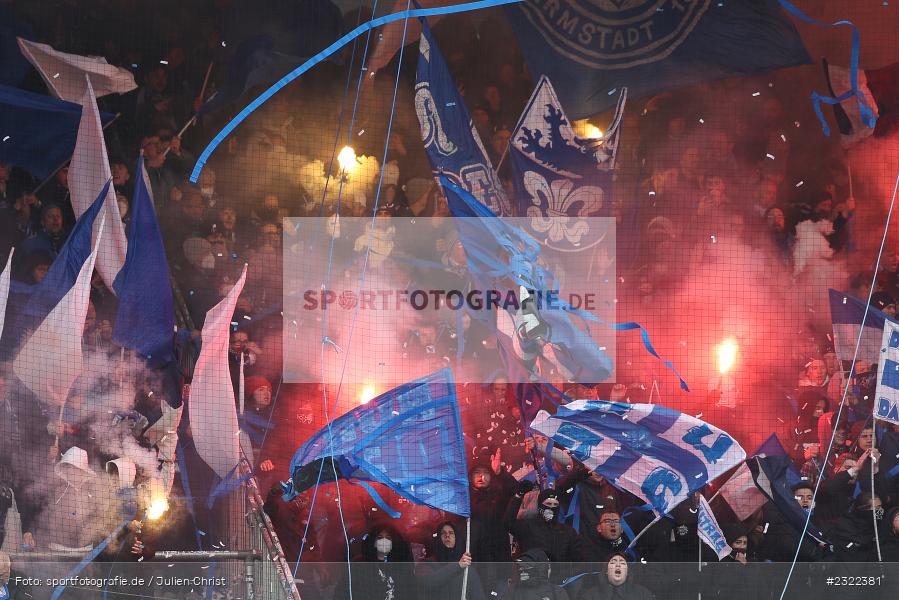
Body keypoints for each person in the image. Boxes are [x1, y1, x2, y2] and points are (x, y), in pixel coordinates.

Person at [504, 487, 584, 583]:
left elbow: (579, 560)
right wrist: (518, 497)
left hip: (558, 585)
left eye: (555, 504)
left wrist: (565, 576)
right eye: (548, 504)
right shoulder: (527, 526)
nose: (551, 507)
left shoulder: (568, 532)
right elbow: (507, 523)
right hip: (530, 582)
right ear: (540, 505)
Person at [334, 524, 414, 600]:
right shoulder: (359, 564)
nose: (384, 541)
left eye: (388, 538)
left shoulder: (399, 566)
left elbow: (407, 591)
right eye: (380, 537)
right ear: (374, 541)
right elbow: (343, 591)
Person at [416, 521, 486, 600]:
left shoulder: (467, 570)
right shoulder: (426, 564)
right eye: (443, 533)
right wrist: (458, 566)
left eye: (451, 533)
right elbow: (428, 583)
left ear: (456, 538)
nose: (447, 535)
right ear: (438, 537)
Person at [498, 548, 569, 600]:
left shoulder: (556, 592)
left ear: (540, 569)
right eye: (520, 567)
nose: (522, 571)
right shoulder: (513, 591)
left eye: (527, 568)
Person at [576, 554, 654, 600]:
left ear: (627, 572)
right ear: (606, 571)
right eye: (613, 562)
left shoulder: (643, 594)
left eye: (623, 563)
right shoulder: (590, 595)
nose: (618, 565)